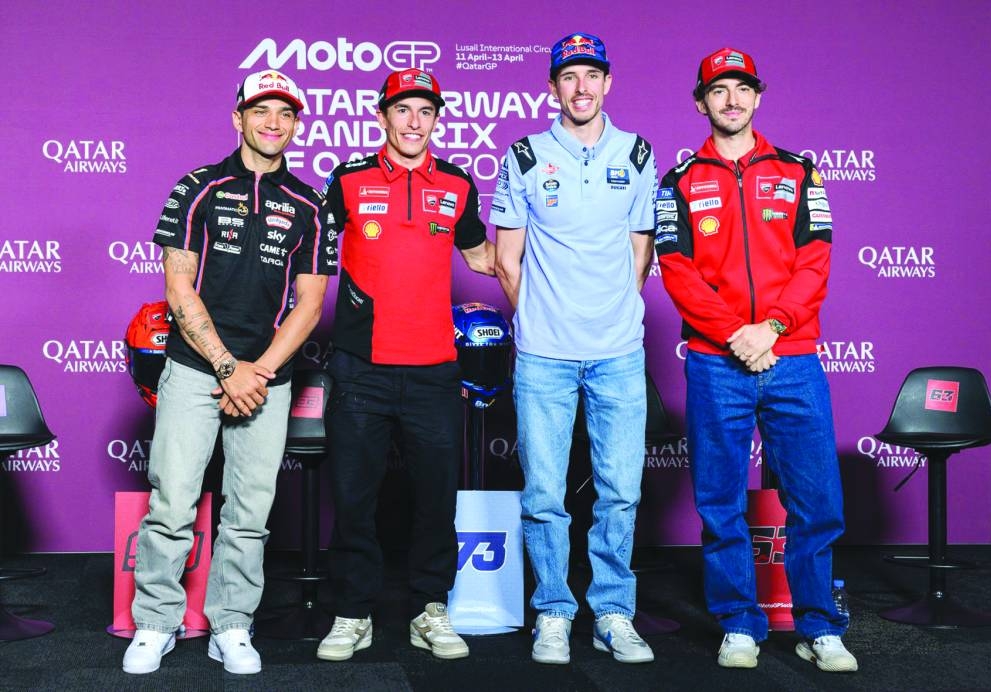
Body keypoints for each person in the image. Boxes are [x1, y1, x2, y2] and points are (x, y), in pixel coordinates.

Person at [122, 69, 336, 675]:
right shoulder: (200, 187)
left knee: (251, 512)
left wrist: (258, 373)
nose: (274, 123)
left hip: (267, 379)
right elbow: (178, 287)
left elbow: (311, 304)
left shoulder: (310, 203)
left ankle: (233, 624)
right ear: (238, 118)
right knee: (173, 501)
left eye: (286, 113)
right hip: (195, 369)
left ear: (296, 125)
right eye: (261, 111)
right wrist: (225, 368)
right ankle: (156, 622)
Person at [655, 47, 857, 672]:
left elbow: (815, 262)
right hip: (718, 362)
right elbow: (677, 271)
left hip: (791, 356)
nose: (732, 100)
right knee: (720, 502)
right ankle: (739, 623)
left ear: (758, 98)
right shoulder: (679, 181)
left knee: (816, 499)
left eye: (742, 89)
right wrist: (736, 333)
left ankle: (821, 626)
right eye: (719, 91)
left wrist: (769, 328)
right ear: (701, 102)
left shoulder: (800, 172)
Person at [315, 68, 495, 663]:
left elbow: (484, 257)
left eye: (425, 111)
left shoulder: (459, 184)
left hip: (435, 369)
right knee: (353, 495)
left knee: (436, 497)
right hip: (361, 368)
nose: (414, 121)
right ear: (382, 116)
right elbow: (308, 254)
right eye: (403, 110)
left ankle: (430, 609)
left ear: (436, 119)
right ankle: (353, 613)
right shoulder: (347, 179)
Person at [490, 32, 657, 665]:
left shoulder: (638, 153)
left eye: (592, 75)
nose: (581, 87)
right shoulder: (527, 155)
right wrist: (544, 317)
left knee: (619, 489)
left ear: (608, 83)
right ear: (552, 86)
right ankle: (554, 612)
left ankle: (614, 612)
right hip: (543, 355)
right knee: (544, 493)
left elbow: (641, 252)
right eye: (569, 77)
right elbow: (508, 260)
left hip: (618, 350)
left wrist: (612, 311)